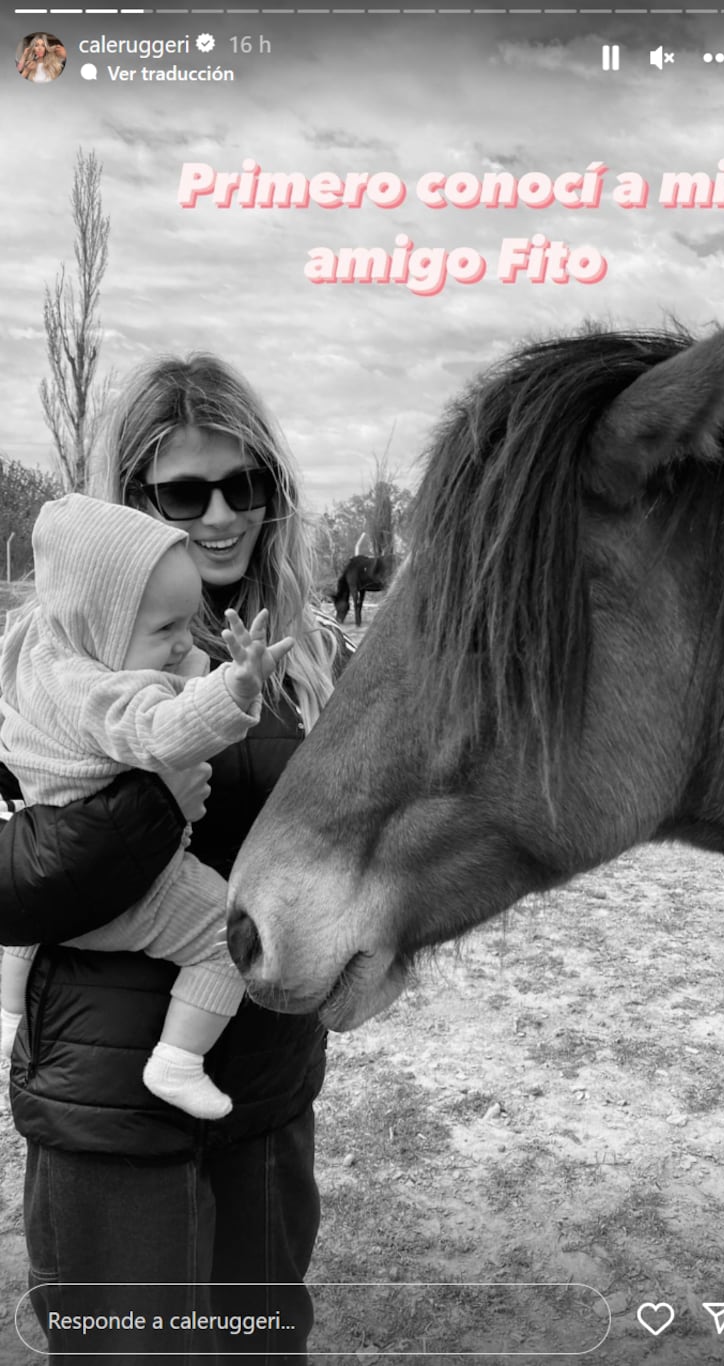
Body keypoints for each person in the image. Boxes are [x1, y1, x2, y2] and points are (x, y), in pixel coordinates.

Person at [0, 355, 349, 1364]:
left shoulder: (313, 654)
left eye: (245, 484)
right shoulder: (42, 655)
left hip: (265, 1092)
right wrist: (149, 810)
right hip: (107, 1105)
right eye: (184, 490)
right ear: (130, 500)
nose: (222, 514)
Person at [0, 494, 294, 1121]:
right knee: (229, 936)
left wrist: (177, 654)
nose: (184, 640)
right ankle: (177, 1061)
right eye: (165, 629)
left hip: (53, 882)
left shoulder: (44, 646)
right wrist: (232, 689)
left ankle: (7, 1013)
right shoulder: (100, 691)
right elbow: (160, 730)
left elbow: (151, 669)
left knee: (32, 924)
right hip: (133, 889)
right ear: (100, 623)